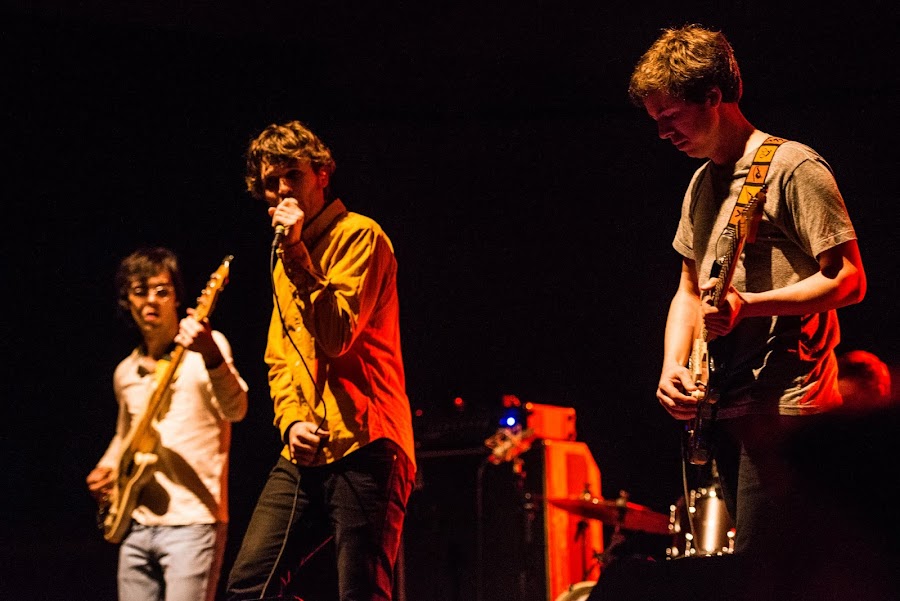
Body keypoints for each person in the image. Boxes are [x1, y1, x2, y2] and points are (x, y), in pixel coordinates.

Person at [628, 24, 866, 594]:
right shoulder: (701, 184)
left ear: (714, 96)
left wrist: (752, 304)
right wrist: (672, 366)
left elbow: (850, 279)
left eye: (670, 116)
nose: (662, 132)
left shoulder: (793, 168)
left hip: (790, 411)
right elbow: (688, 290)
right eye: (655, 119)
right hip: (727, 406)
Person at [225, 120, 416, 601]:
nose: (283, 190)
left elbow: (336, 336)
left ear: (322, 174)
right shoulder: (284, 256)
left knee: (360, 593)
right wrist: (290, 420)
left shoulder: (360, 236)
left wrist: (294, 251)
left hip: (366, 443)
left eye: (294, 174)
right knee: (248, 586)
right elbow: (279, 356)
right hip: (306, 450)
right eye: (272, 182)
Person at [86, 247, 249, 601]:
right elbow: (124, 434)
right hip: (136, 524)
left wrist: (212, 356)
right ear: (126, 301)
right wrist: (106, 467)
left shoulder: (208, 350)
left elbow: (236, 410)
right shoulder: (126, 372)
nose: (151, 301)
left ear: (177, 298)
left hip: (193, 521)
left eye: (162, 291)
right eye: (140, 291)